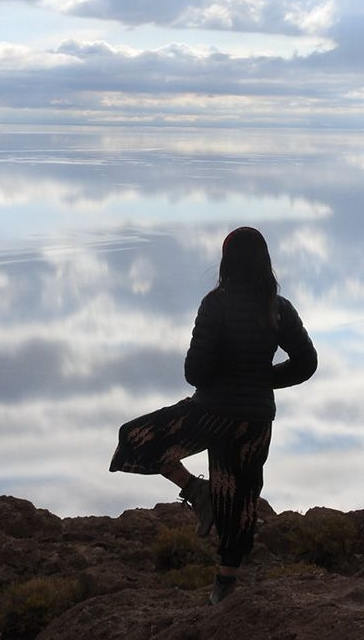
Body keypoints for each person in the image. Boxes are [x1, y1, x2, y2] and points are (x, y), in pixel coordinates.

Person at [109, 226, 318, 605]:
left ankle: (193, 491)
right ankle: (224, 585)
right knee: (241, 497)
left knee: (135, 437)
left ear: (226, 261)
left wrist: (232, 379)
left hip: (213, 413)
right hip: (255, 420)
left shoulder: (215, 304)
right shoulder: (279, 308)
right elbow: (306, 363)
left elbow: (195, 372)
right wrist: (263, 380)